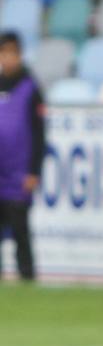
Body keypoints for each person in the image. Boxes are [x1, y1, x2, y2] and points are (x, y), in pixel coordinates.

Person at [0, 31, 45, 283]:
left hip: (18, 174)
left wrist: (33, 171)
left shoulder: (31, 88)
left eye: (12, 53)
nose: (7, 58)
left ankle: (27, 279)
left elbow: (40, 134)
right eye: (3, 53)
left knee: (20, 231)